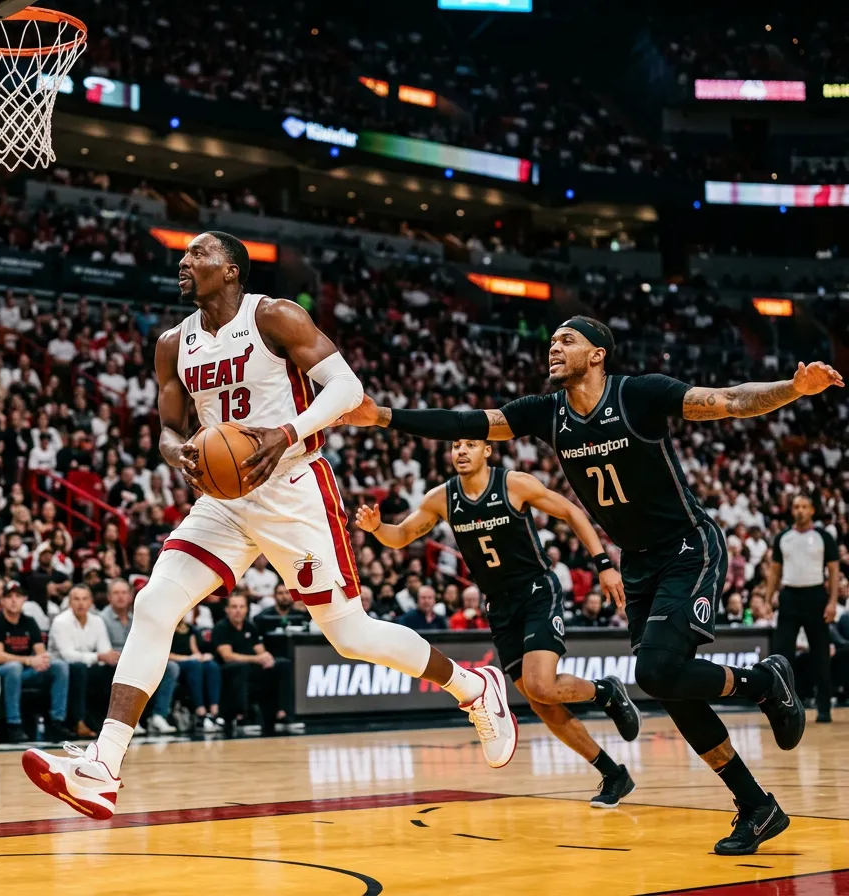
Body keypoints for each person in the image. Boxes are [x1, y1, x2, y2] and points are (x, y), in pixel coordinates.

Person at [24, 232, 515, 819]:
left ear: (231, 271)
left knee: (350, 636)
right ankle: (103, 765)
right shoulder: (171, 344)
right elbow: (169, 427)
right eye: (183, 256)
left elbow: (348, 388)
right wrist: (176, 452)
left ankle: (473, 686)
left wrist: (286, 433)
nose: (183, 262)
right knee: (155, 603)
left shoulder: (275, 316)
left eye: (197, 255)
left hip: (293, 489)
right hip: (224, 500)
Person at [347, 315, 843, 854]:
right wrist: (384, 417)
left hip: (687, 546)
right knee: (666, 683)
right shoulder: (546, 412)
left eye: (567, 340)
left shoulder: (641, 395)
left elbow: (728, 399)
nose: (554, 347)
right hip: (638, 563)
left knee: (656, 669)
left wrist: (792, 389)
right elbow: (464, 418)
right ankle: (757, 805)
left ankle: (766, 684)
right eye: (552, 338)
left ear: (598, 354)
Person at [357, 437, 642, 808]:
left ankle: (606, 691)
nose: (460, 451)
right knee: (540, 701)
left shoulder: (515, 484)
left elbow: (572, 512)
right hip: (499, 606)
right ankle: (612, 773)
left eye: (470, 444)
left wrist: (603, 564)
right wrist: (379, 528)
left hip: (537, 591)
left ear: (487, 451)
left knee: (541, 684)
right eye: (456, 445)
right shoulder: (441, 497)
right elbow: (403, 536)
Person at [766, 495, 839, 724]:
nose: (799, 510)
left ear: (812, 510)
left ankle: (824, 707)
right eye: (796, 506)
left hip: (816, 596)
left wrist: (833, 601)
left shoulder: (823, 537)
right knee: (782, 655)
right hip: (789, 597)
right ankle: (784, 708)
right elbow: (775, 571)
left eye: (804, 506)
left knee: (820, 655)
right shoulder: (783, 538)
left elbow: (834, 572)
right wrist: (768, 598)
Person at [0, 582, 70, 742]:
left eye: (18, 596)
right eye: (9, 597)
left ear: (25, 599)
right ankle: (13, 724)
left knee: (59, 666)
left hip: (26, 672)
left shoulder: (29, 621)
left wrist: (42, 661)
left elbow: (41, 652)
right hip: (0, 673)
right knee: (14, 667)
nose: (14, 600)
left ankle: (58, 722)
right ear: (1, 600)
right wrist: (30, 660)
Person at [100, 578, 178, 734]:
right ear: (109, 597)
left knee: (170, 667)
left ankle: (158, 716)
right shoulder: (101, 619)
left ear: (130, 596)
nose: (120, 597)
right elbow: (105, 650)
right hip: (113, 663)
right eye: (116, 593)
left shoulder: (138, 615)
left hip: (136, 659)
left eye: (124, 592)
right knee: (130, 668)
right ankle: (127, 722)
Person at [211, 591, 293, 734]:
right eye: (234, 607)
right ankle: (242, 717)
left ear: (246, 609)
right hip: (229, 670)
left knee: (282, 664)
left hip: (252, 667)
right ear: (227, 609)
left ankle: (282, 712)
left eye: (241, 607)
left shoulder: (249, 626)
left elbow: (260, 651)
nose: (238, 610)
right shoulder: (221, 628)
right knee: (241, 668)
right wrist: (255, 659)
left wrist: (267, 658)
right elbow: (227, 656)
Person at [50, 585, 118, 738]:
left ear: (91, 602)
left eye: (84, 599)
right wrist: (98, 657)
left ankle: (112, 722)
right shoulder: (60, 622)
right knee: (79, 669)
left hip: (89, 666)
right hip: (63, 670)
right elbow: (68, 655)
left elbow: (105, 651)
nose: (81, 603)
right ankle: (78, 722)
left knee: (112, 670)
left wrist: (107, 657)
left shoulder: (97, 621)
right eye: (76, 599)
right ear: (69, 602)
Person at [170, 608, 222, 732]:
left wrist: (202, 657)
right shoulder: (166, 630)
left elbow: (195, 651)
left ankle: (214, 712)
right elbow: (166, 655)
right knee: (195, 665)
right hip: (175, 663)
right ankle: (200, 713)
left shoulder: (189, 628)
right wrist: (189, 658)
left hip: (191, 662)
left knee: (211, 666)